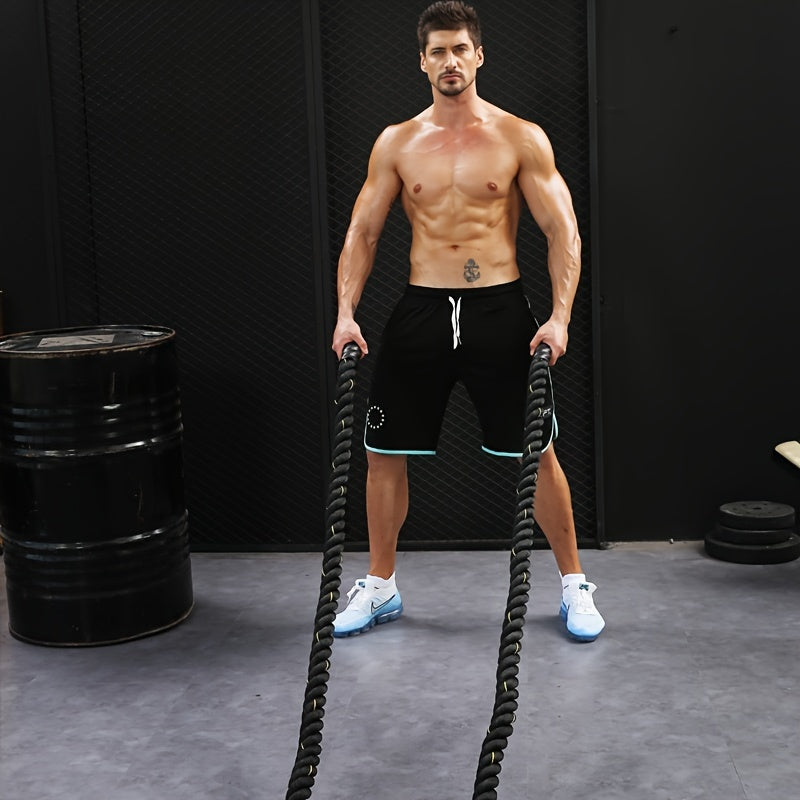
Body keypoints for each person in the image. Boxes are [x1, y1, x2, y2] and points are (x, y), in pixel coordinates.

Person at [330, 1, 605, 642]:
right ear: (421, 61)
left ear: (479, 55)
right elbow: (363, 231)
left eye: (460, 49)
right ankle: (380, 584)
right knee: (382, 456)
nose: (449, 62)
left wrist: (560, 318)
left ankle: (574, 585)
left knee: (537, 455)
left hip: (498, 312)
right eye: (437, 51)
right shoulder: (397, 142)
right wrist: (345, 313)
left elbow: (561, 230)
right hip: (420, 310)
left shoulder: (519, 137)